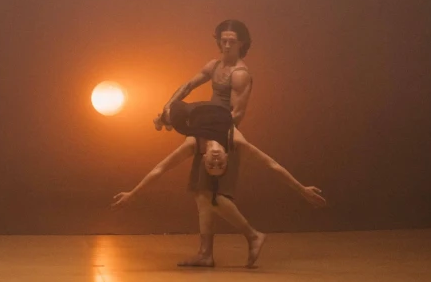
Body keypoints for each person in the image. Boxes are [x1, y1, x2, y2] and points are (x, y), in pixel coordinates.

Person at [119, 101, 326, 268]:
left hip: (188, 113)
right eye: (218, 163)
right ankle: (209, 253)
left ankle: (210, 253)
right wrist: (302, 189)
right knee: (205, 197)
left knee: (171, 115)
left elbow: (161, 169)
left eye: (212, 163)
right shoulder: (234, 140)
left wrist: (133, 193)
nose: (216, 158)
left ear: (203, 157)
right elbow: (272, 165)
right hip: (220, 110)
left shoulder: (193, 143)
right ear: (227, 156)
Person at [155, 19, 253, 132]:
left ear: (241, 43)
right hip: (208, 114)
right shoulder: (213, 65)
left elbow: (237, 114)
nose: (227, 46)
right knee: (176, 107)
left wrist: (210, 132)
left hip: (221, 124)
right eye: (224, 41)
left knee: (185, 115)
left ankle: (164, 120)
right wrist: (167, 106)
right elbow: (188, 86)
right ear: (218, 41)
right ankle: (163, 119)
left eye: (232, 42)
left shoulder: (240, 74)